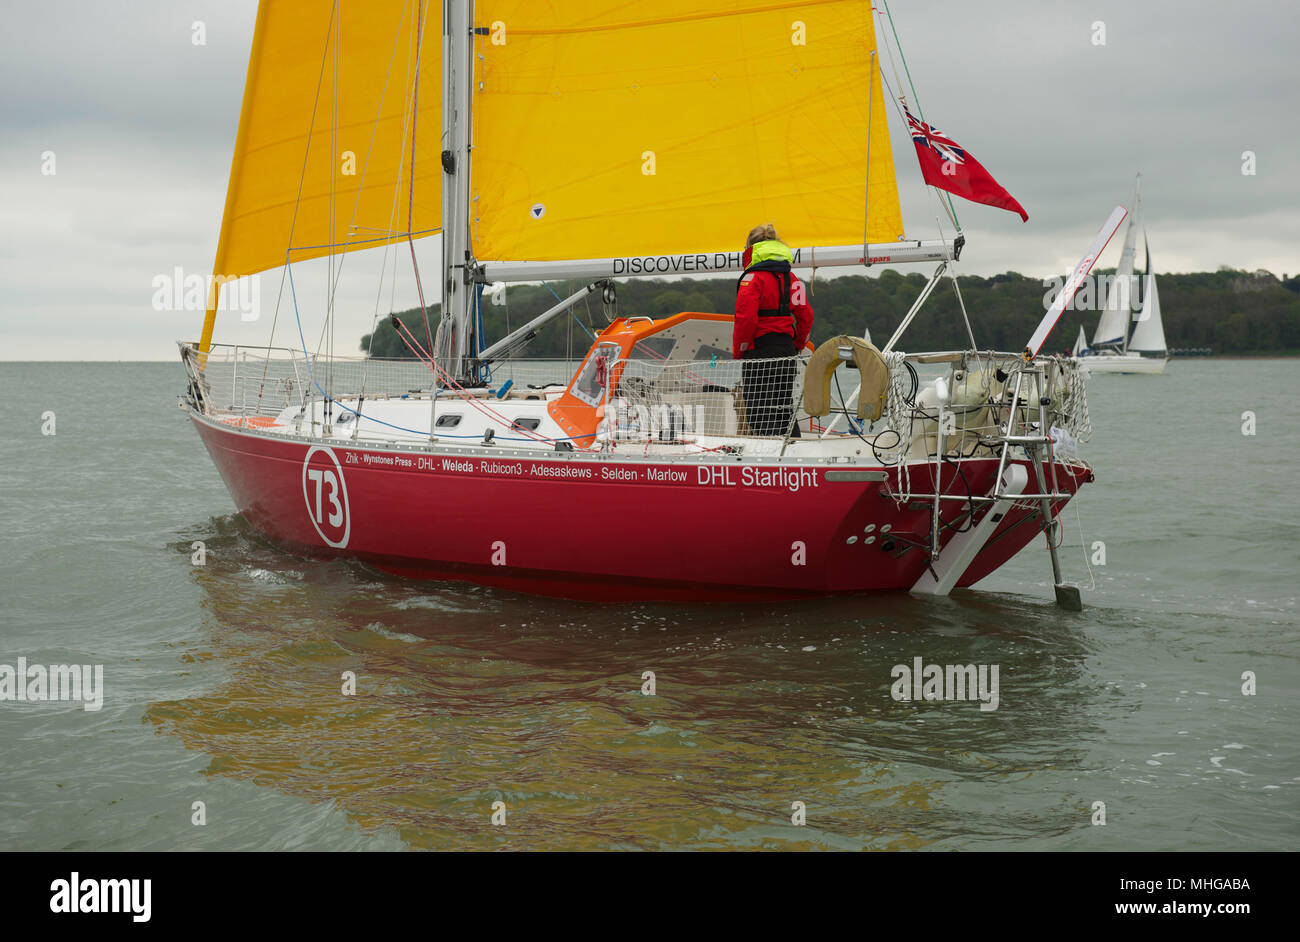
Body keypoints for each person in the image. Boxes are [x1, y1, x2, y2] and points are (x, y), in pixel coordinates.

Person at [733, 224, 813, 436]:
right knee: (784, 408)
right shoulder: (792, 279)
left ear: (750, 249)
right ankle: (794, 452)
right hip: (786, 350)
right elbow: (806, 316)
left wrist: (740, 351)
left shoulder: (752, 279)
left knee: (759, 411)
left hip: (759, 351)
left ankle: (769, 458)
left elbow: (745, 320)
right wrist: (797, 345)